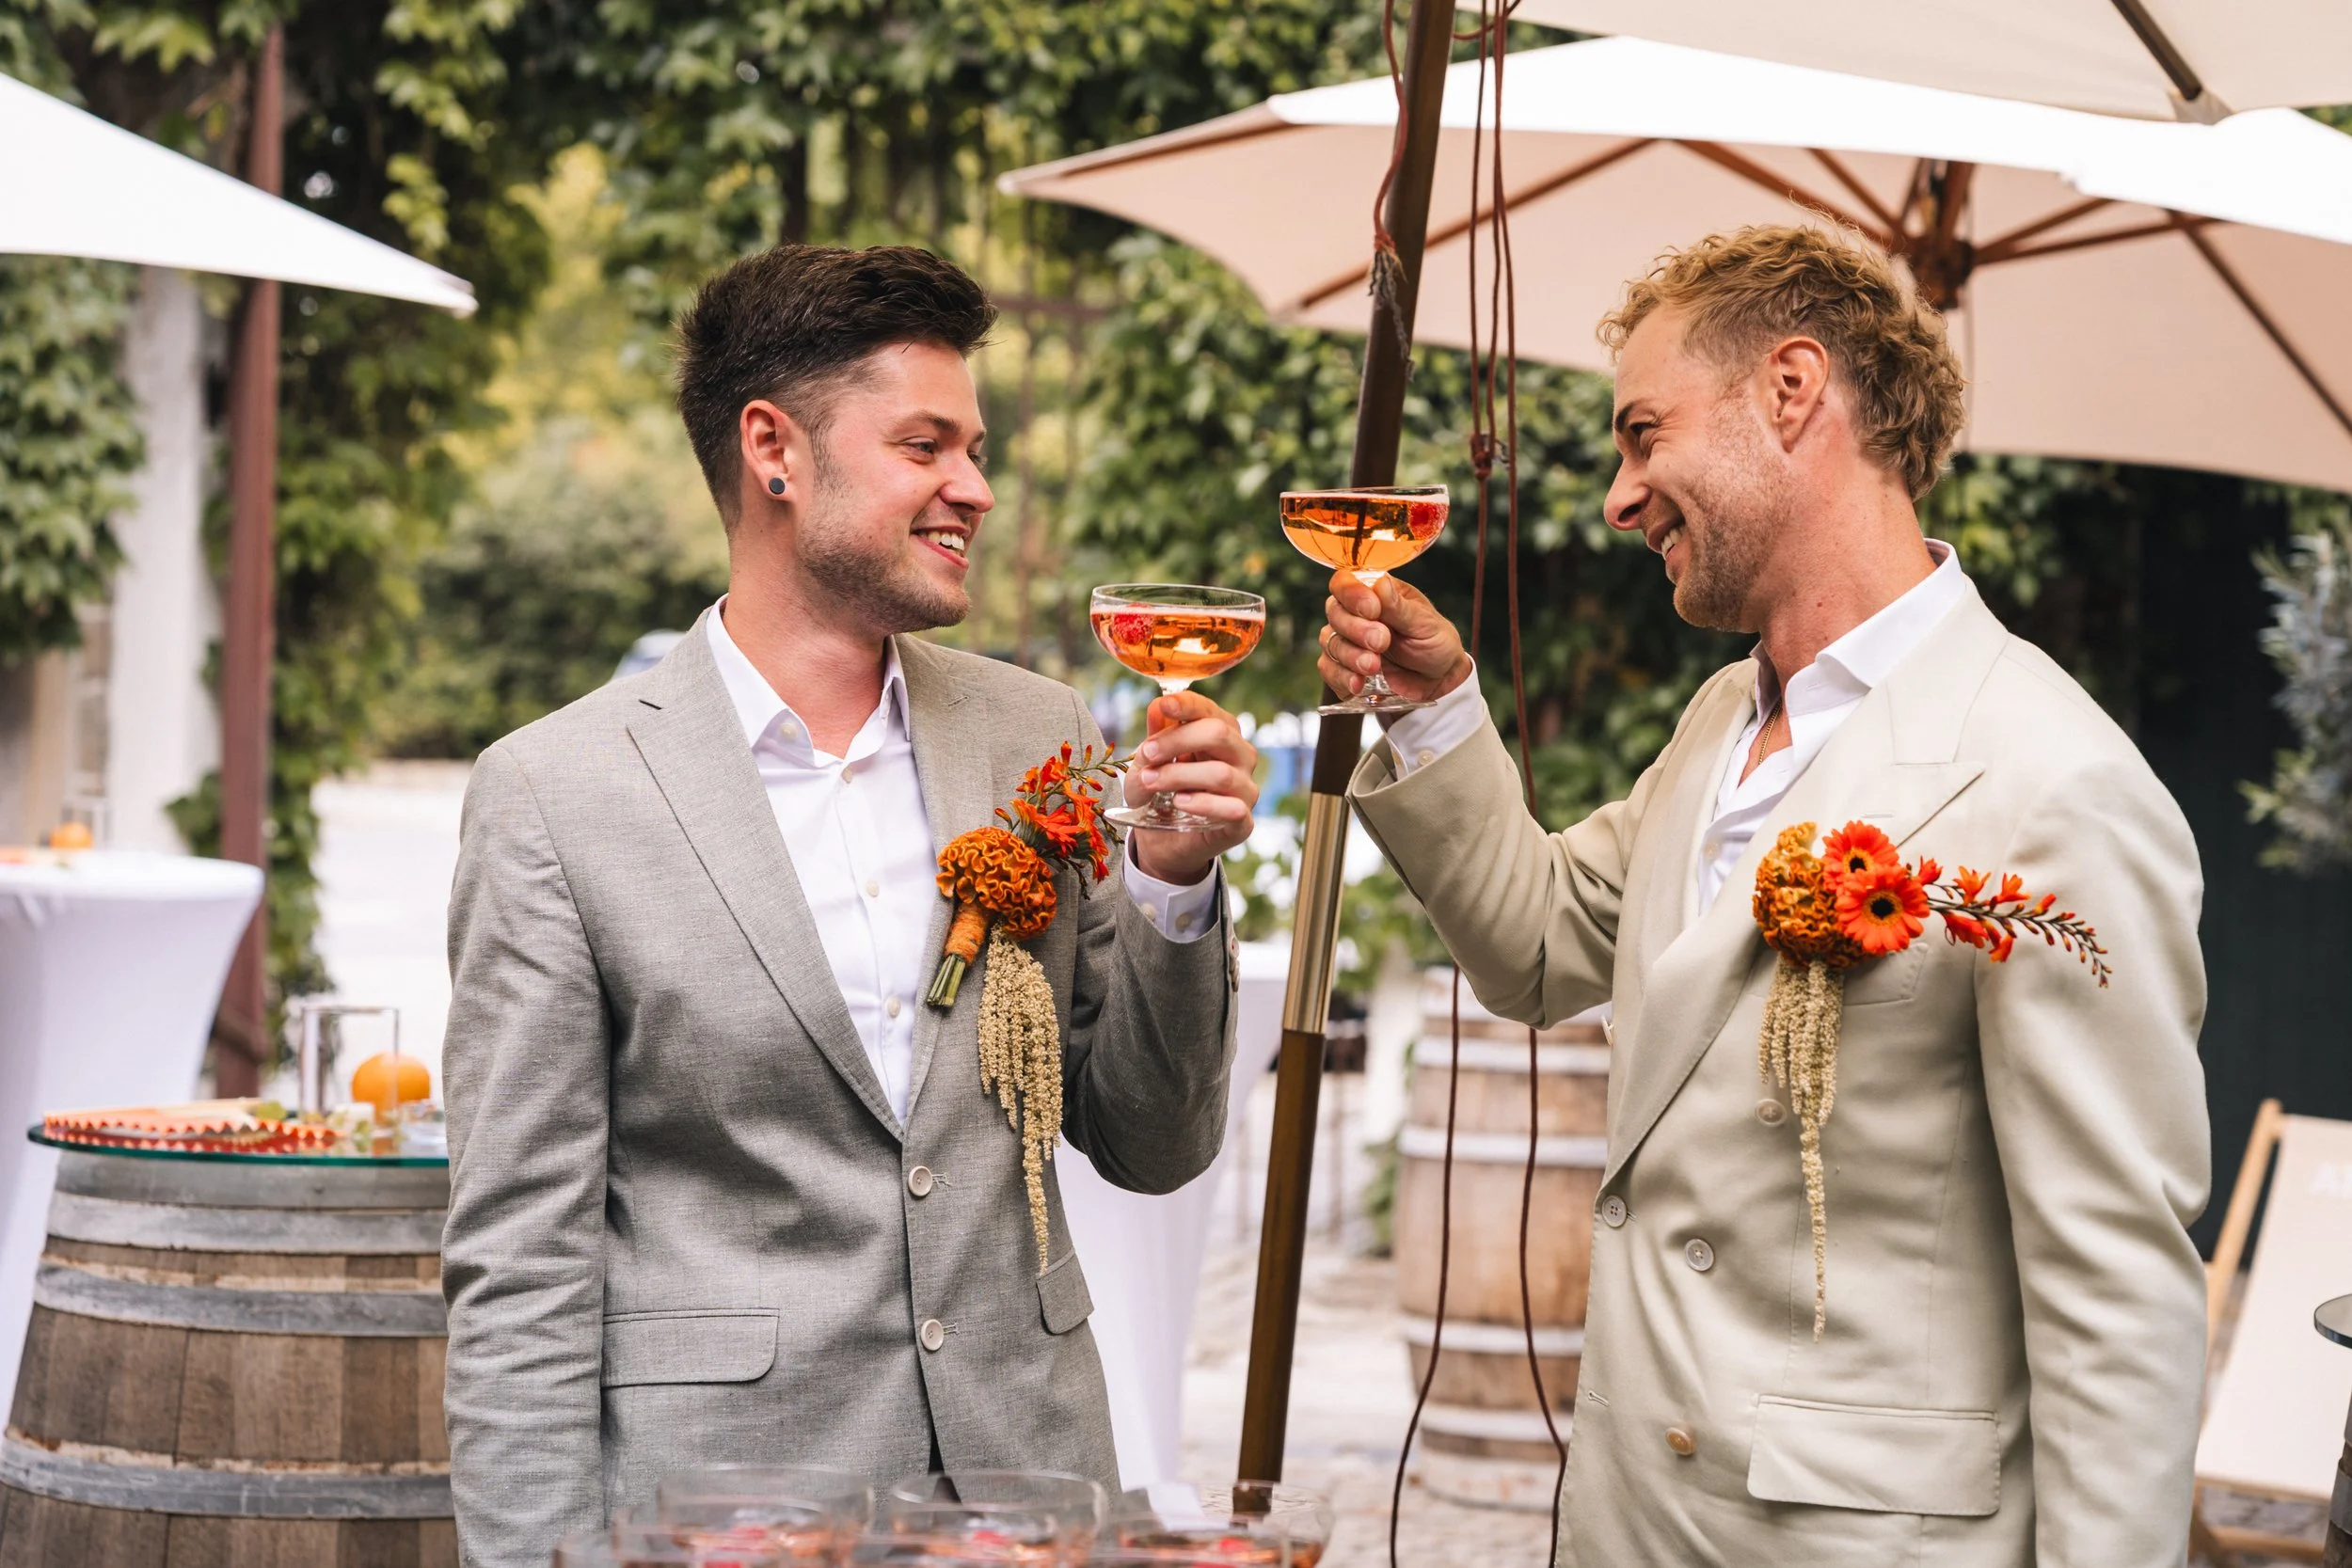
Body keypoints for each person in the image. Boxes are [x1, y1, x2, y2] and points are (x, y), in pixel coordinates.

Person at [1321, 226, 2208, 1567]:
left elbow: (2115, 1300)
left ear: (1792, 391)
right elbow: (1541, 944)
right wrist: (1436, 710)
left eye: (1642, 433)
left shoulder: (2055, 783)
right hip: (1629, 1526)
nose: (1621, 496)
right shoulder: (1719, 721)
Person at [441, 244, 1256, 1566]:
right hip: (726, 1514)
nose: (975, 489)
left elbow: (1152, 1142)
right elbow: (522, 1265)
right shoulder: (555, 793)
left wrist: (1174, 881)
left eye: (976, 448)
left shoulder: (1038, 735)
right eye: (926, 444)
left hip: (1031, 1500)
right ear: (775, 449)